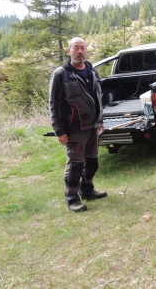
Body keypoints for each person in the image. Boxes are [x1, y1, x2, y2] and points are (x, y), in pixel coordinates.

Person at [49, 37, 107, 212]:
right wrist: (59, 130)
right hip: (74, 128)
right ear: (69, 51)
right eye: (76, 48)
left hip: (93, 127)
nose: (80, 51)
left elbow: (97, 98)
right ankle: (72, 198)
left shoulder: (92, 71)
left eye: (82, 48)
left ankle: (87, 190)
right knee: (75, 164)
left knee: (92, 162)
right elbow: (54, 104)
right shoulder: (61, 74)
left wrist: (100, 120)